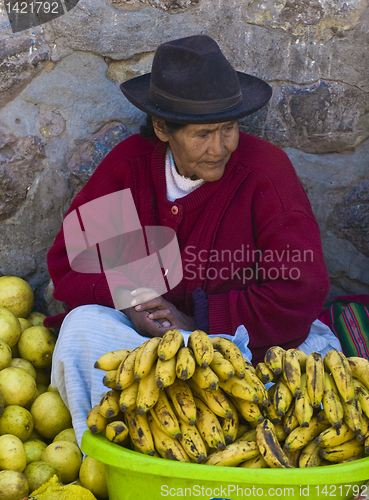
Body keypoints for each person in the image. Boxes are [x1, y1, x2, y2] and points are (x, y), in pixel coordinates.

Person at [45, 35, 341, 446]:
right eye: (203, 134)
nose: (219, 148)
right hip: (145, 351)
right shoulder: (128, 170)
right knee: (81, 330)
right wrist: (132, 299)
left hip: (241, 350)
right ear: (162, 127)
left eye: (229, 129)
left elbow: (299, 291)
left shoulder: (265, 174)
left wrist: (197, 319)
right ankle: (123, 454)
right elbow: (70, 265)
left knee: (308, 386)